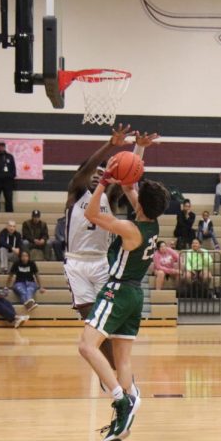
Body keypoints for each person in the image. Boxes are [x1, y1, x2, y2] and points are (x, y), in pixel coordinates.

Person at [77, 164, 170, 441]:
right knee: (123, 361)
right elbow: (131, 186)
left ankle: (121, 399)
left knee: (87, 347)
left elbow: (91, 215)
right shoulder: (152, 224)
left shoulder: (131, 228)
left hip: (116, 291)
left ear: (140, 204)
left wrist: (103, 183)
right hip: (135, 294)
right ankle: (125, 414)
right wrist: (134, 157)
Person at [64, 124, 157, 377]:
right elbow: (86, 170)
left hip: (103, 262)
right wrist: (111, 145)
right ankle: (112, 367)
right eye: (92, 172)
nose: (97, 175)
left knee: (107, 318)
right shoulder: (76, 192)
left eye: (101, 172)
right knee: (88, 315)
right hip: (76, 262)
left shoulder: (109, 196)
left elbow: (130, 174)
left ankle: (115, 369)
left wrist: (139, 148)